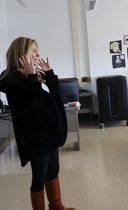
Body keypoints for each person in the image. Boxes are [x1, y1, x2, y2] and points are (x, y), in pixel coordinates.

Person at [0, 37, 75, 210]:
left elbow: (55, 97)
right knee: (39, 180)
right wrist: (32, 77)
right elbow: (34, 105)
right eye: (34, 50)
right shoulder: (14, 81)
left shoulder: (32, 75)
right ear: (21, 55)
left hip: (50, 135)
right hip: (37, 139)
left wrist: (49, 74)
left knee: (53, 172)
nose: (38, 54)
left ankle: (56, 206)